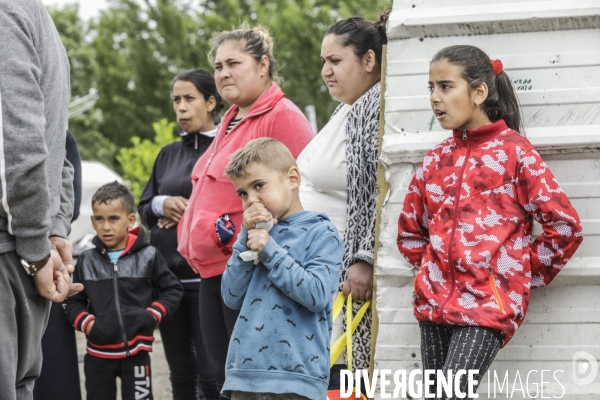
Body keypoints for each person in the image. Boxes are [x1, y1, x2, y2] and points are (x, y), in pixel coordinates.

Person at [396, 45, 583, 398]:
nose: (435, 98)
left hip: (485, 305)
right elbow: (410, 231)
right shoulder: (435, 160)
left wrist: (516, 272)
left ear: (479, 92)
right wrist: (432, 271)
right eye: (430, 88)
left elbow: (565, 227)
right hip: (433, 307)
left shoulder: (516, 154)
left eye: (446, 86)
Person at [177, 25, 314, 398]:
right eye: (218, 66)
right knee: (222, 379)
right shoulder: (231, 118)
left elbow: (304, 191)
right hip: (214, 272)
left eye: (233, 63)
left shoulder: (280, 116)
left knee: (252, 383)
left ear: (263, 64)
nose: (222, 73)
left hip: (251, 271)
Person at [296, 12, 388, 382]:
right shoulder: (348, 107)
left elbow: (382, 192)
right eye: (324, 62)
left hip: (348, 279)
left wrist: (365, 258)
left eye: (335, 61)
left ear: (369, 60)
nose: (326, 71)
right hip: (322, 276)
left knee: (345, 377)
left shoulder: (375, 106)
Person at [0, 1, 83, 398]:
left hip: (10, 254)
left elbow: (18, 141)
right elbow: (59, 149)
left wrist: (39, 244)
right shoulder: (37, 19)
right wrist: (52, 230)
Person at [221, 138, 343, 400]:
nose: (252, 200)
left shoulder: (321, 232)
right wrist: (245, 238)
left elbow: (317, 295)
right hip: (245, 376)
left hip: (297, 380)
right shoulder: (253, 235)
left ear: (292, 178)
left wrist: (270, 251)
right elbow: (231, 296)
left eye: (258, 186)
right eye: (243, 193)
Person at [139, 68, 223, 400]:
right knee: (180, 373)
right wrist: (163, 203)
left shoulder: (224, 150)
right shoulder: (167, 154)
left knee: (211, 372)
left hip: (208, 281)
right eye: (176, 100)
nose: (181, 108)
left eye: (190, 98)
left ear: (211, 101)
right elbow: (144, 207)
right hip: (167, 282)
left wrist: (194, 213)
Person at [65, 182, 183, 400]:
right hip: (97, 355)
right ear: (92, 221)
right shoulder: (86, 260)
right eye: (99, 219)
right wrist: (88, 324)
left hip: (137, 353)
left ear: (130, 220)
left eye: (113, 218)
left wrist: (151, 315)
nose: (106, 226)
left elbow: (172, 289)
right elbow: (74, 301)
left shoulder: (149, 255)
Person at [34, 131, 84, 400]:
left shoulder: (59, 134)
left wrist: (47, 235)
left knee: (51, 369)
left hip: (45, 255)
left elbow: (70, 202)